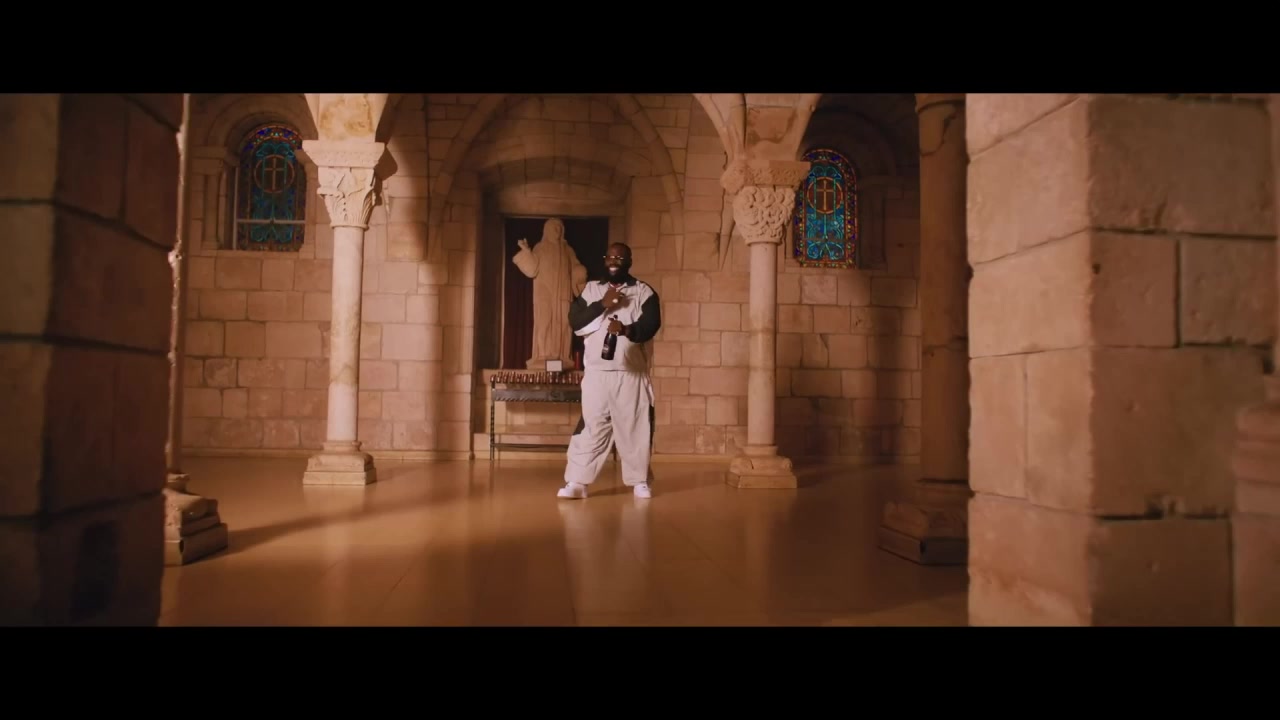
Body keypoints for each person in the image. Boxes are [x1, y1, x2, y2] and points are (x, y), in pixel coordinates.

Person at [557, 242, 661, 500]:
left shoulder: (644, 292)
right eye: (610, 257)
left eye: (620, 258)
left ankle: (639, 481)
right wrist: (602, 304)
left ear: (629, 261)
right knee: (591, 427)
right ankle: (577, 482)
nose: (614, 261)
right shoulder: (592, 289)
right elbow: (575, 322)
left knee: (635, 427)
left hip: (630, 374)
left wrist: (626, 330)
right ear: (605, 260)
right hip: (597, 375)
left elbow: (650, 326)